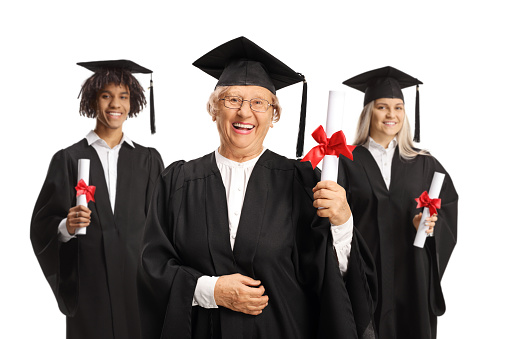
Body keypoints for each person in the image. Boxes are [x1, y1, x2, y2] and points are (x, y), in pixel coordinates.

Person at [137, 36, 377, 339]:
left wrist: (343, 223)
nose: (245, 113)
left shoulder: (302, 182)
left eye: (259, 103)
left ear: (273, 115)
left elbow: (332, 279)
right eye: (233, 99)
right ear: (214, 110)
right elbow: (151, 268)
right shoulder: (178, 183)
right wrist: (210, 290)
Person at [30, 60, 164, 339]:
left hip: (138, 288)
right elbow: (42, 225)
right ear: (93, 100)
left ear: (133, 102)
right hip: (90, 287)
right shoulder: (68, 159)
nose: (116, 104)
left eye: (123, 96)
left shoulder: (148, 160)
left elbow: (163, 226)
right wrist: (66, 227)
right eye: (106, 95)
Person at [339, 66, 458, 339]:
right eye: (382, 107)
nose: (391, 115)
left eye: (398, 107)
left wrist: (426, 227)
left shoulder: (425, 163)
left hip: (412, 277)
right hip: (364, 275)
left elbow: (447, 210)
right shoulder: (346, 161)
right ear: (369, 111)